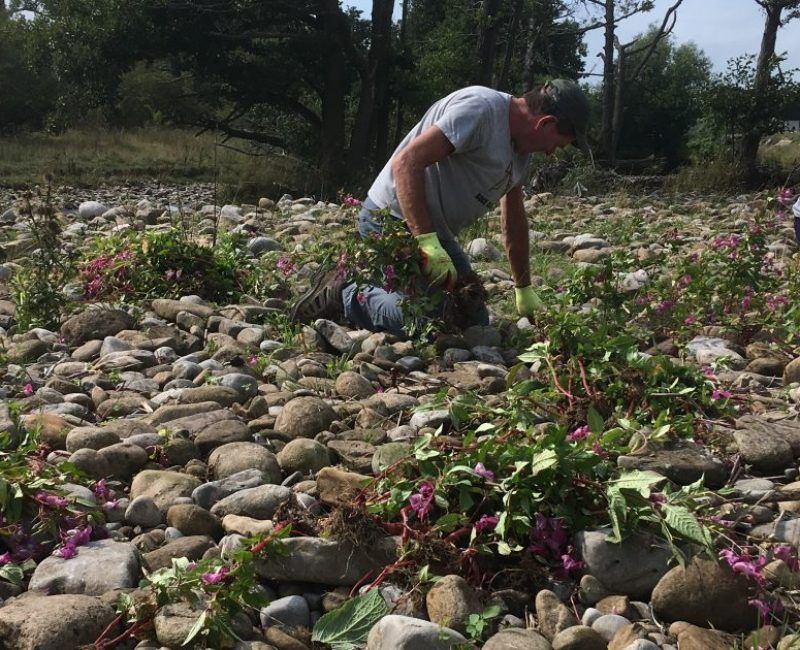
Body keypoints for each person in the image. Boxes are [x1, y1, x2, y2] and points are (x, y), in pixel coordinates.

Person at [290, 79, 590, 336]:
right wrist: (425, 242)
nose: (552, 152)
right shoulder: (481, 110)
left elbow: (513, 222)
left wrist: (523, 289)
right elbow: (407, 162)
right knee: (431, 321)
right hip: (391, 220)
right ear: (545, 123)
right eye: (558, 143)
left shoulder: (521, 153)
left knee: (471, 318)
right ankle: (345, 293)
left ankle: (380, 284)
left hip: (437, 235)